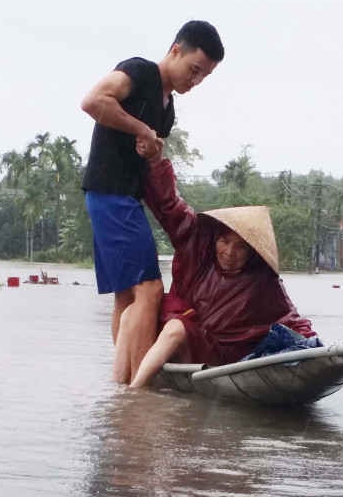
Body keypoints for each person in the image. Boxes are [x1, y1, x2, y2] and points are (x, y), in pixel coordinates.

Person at [80, 20, 224, 383]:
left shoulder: (168, 109)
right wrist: (142, 130)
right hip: (110, 193)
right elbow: (93, 101)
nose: (196, 81)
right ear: (175, 50)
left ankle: (123, 386)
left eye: (203, 77)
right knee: (151, 289)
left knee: (127, 296)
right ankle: (142, 392)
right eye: (194, 70)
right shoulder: (140, 72)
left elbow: (149, 165)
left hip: (124, 196)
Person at [129, 158, 317, 388]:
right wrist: (156, 162)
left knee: (176, 328)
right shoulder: (198, 252)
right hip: (186, 339)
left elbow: (294, 323)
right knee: (133, 314)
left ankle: (134, 390)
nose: (229, 252)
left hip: (219, 358)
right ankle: (126, 388)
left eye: (240, 246)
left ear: (251, 253)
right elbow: (170, 207)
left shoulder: (264, 283)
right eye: (224, 241)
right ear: (215, 238)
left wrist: (319, 353)